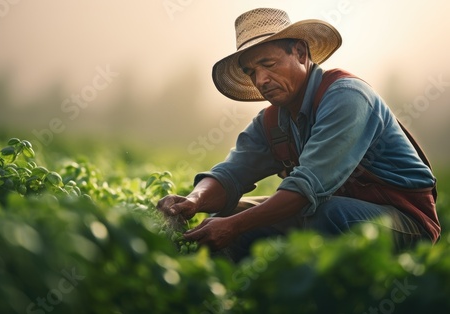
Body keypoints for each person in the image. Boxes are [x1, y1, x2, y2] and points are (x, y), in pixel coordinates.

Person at [157, 8, 440, 262]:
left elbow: (307, 188)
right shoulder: (270, 122)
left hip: (404, 220)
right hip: (325, 207)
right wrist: (194, 200)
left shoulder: (347, 97)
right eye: (252, 71)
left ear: (301, 54)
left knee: (325, 214)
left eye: (268, 64)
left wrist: (238, 225)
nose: (261, 80)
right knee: (227, 215)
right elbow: (231, 173)